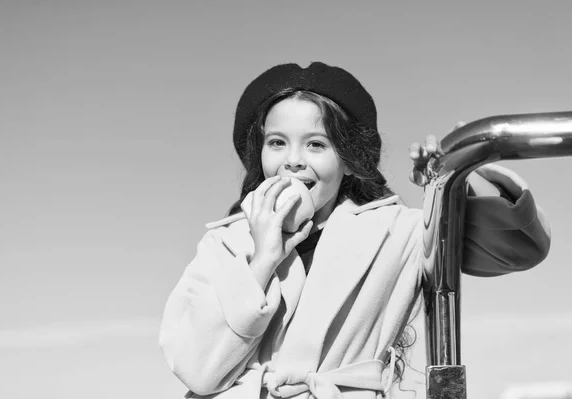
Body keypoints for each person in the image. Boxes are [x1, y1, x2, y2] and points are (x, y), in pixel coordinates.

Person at [159, 62, 551, 399]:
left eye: (316, 144)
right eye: (277, 143)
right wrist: (261, 261)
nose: (293, 161)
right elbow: (197, 370)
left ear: (348, 160)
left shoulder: (396, 232)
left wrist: (457, 177)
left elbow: (518, 247)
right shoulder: (223, 244)